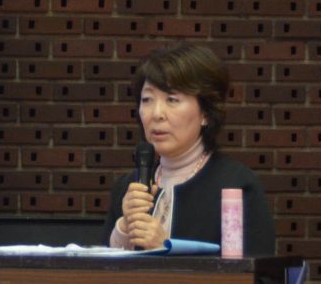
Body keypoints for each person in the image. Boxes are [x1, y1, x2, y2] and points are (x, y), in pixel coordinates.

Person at [103, 42, 275, 254]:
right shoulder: (128, 187)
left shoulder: (235, 186)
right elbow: (96, 271)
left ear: (206, 113)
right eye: (147, 99)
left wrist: (166, 249)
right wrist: (123, 229)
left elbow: (256, 271)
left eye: (172, 99)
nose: (156, 113)